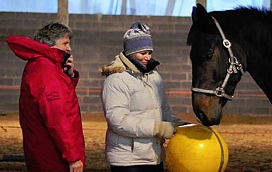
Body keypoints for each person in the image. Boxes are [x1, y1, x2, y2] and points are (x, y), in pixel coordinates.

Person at [101, 22, 189, 172]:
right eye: (143, 53)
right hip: (128, 161)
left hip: (154, 156)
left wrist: (182, 126)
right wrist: (158, 129)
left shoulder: (154, 77)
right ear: (130, 52)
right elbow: (118, 120)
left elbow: (163, 110)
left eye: (149, 52)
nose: (147, 57)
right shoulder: (116, 80)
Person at [6, 21, 86, 172]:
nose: (69, 48)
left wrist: (68, 76)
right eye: (65, 43)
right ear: (51, 44)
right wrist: (73, 157)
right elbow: (57, 117)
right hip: (53, 157)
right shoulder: (46, 70)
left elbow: (61, 101)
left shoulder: (43, 65)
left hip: (43, 151)